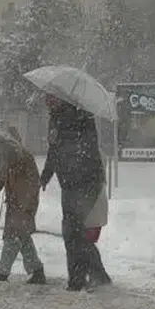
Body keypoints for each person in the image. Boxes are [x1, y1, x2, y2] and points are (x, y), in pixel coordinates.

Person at [40, 95, 109, 291]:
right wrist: (46, 175)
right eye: (46, 97)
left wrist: (71, 161)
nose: (47, 101)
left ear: (61, 97)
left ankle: (88, 278)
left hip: (85, 181)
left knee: (75, 232)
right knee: (72, 233)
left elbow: (87, 148)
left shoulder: (80, 116)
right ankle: (83, 278)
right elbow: (54, 150)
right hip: (69, 183)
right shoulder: (55, 118)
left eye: (51, 97)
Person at [0, 126, 46, 284]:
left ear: (7, 144)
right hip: (14, 205)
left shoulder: (24, 158)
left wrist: (25, 204)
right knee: (22, 237)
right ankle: (37, 271)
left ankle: (2, 274)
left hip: (24, 205)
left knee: (12, 238)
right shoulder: (4, 160)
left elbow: (34, 183)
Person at [83, 187, 113, 287]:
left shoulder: (91, 177)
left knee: (85, 243)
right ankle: (98, 274)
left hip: (91, 209)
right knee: (86, 243)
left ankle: (98, 274)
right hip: (90, 208)